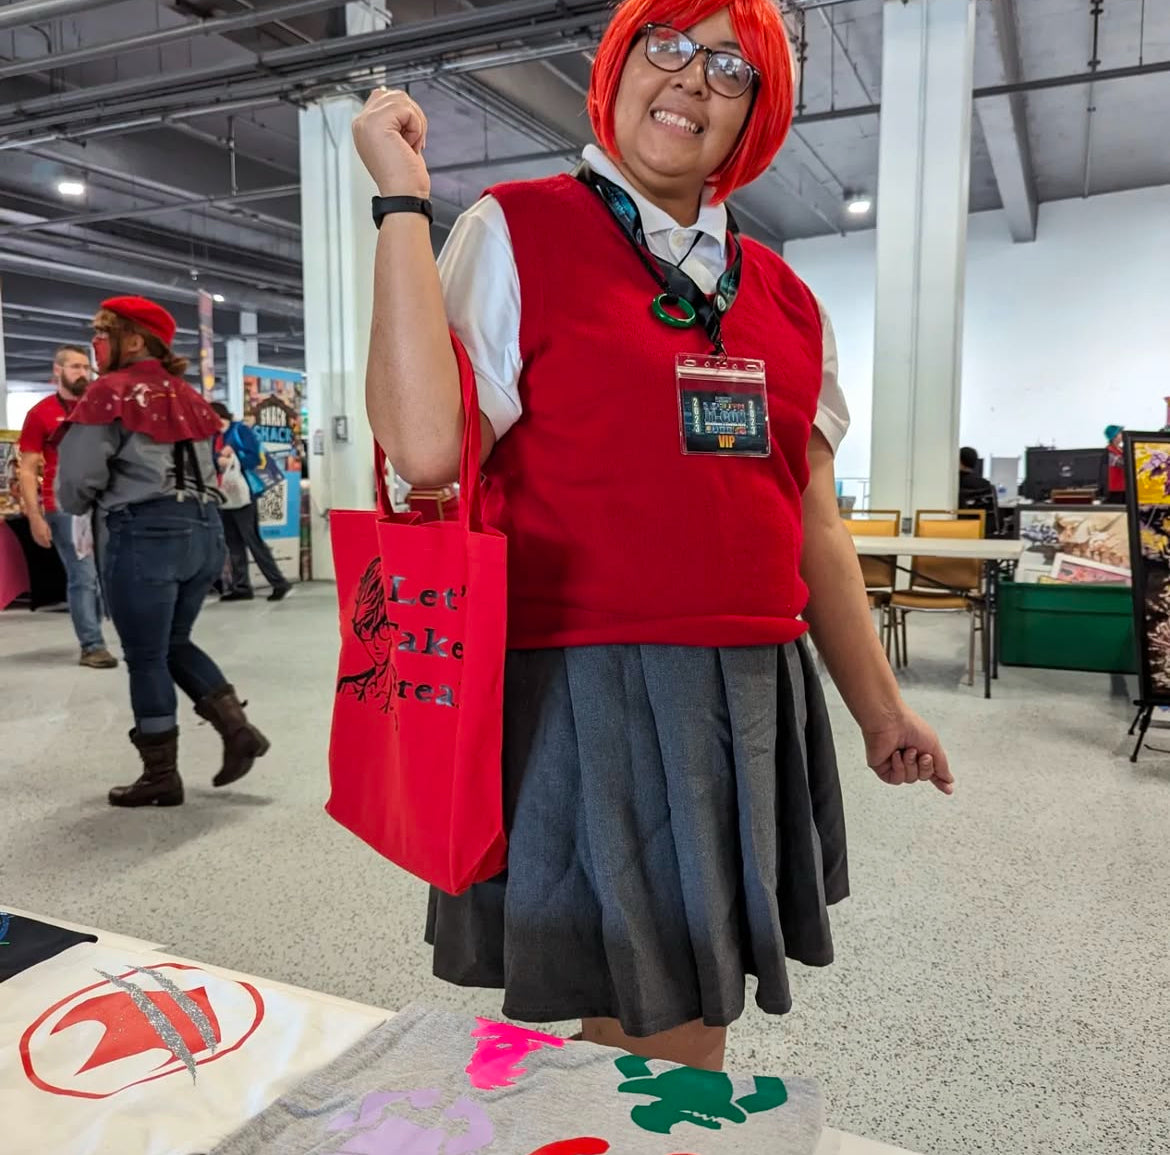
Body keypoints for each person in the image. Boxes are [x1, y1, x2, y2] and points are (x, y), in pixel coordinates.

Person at [353, 0, 953, 1072]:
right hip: (590, 680)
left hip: (754, 687)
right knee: (655, 1010)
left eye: (730, 68)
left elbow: (810, 519)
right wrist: (403, 207)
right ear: (619, 65)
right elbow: (423, 450)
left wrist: (880, 708)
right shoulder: (516, 226)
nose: (691, 80)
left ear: (755, 115)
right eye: (666, 47)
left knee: (680, 1006)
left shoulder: (784, 297)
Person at [55, 296, 270, 808]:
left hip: (144, 535)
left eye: (104, 333)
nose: (96, 344)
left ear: (133, 340)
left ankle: (160, 776)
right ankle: (237, 729)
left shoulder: (109, 392)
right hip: (203, 532)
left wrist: (80, 503)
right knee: (173, 641)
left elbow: (77, 481)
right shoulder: (190, 396)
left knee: (146, 655)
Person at [17, 345, 117, 668]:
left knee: (103, 574)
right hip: (61, 505)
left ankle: (98, 633)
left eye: (86, 367)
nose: (83, 373)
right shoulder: (41, 413)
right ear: (57, 371)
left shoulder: (98, 410)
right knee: (83, 576)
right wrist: (34, 516)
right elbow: (27, 469)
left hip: (99, 503)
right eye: (75, 367)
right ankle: (92, 645)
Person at [209, 402, 292, 602]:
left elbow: (256, 458)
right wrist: (217, 458)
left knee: (252, 539)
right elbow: (208, 459)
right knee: (233, 542)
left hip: (244, 493)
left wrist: (234, 454)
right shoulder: (213, 436)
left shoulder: (240, 431)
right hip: (223, 494)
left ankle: (278, 582)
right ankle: (241, 586)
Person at [958, 445, 998, 533]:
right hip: (983, 531)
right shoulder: (986, 485)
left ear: (959, 461)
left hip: (957, 529)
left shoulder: (952, 484)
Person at [1104, 424, 1126, 504]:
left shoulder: (1121, 449)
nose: (1122, 434)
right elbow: (1122, 463)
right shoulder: (1110, 451)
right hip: (1116, 489)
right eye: (1120, 433)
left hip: (1124, 487)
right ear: (1114, 437)